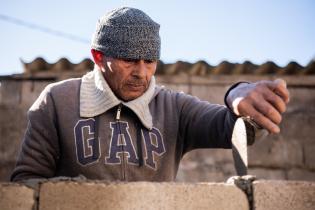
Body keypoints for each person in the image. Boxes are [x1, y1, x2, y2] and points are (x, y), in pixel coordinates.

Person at [11, 7, 289, 182]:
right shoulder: (58, 101)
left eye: (150, 61)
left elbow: (233, 130)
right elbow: (26, 182)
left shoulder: (174, 107)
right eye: (129, 60)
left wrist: (237, 96)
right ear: (98, 56)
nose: (142, 73)